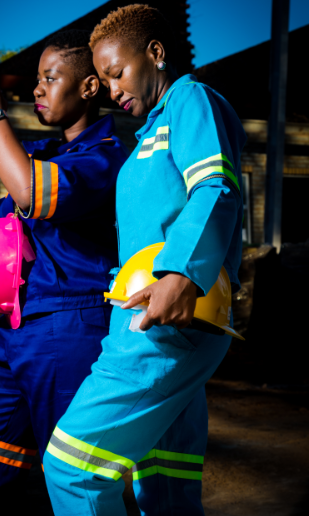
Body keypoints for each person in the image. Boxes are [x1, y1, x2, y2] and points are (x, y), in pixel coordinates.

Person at [42, 6, 246, 516]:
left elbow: (215, 186)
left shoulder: (190, 100)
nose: (112, 89)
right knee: (164, 486)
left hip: (167, 319)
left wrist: (181, 275)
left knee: (71, 469)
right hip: (151, 317)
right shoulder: (148, 133)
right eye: (105, 79)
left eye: (117, 72)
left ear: (155, 53)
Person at [0, 30, 129, 514]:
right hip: (12, 328)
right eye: (37, 79)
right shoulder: (39, 154)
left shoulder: (106, 155)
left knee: (73, 477)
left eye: (50, 78)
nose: (37, 89)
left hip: (70, 324)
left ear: (89, 87)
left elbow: (29, 193)